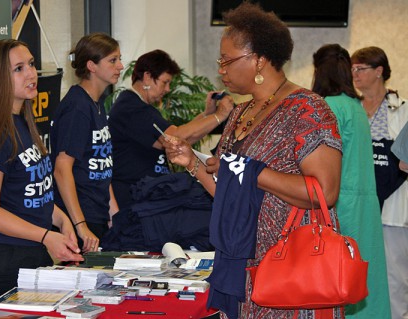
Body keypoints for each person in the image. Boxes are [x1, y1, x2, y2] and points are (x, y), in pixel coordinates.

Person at [164, 3, 342, 319]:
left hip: (290, 267)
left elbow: (324, 193)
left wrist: (249, 171)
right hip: (242, 265)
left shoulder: (308, 110)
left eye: (227, 60)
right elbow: (228, 195)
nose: (221, 69)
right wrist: (192, 162)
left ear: (258, 59)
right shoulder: (239, 114)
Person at [0, 39, 83, 310]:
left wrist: (61, 220)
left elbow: (31, 192)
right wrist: (47, 236)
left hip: (26, 249)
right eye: (19, 68)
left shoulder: (23, 123)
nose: (31, 73)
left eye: (32, 64)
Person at [312, 43, 391, 318]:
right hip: (366, 205)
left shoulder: (326, 107)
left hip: (339, 206)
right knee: (367, 280)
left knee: (341, 281)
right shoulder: (356, 106)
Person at [108, 49, 234, 210]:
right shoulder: (132, 108)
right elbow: (176, 136)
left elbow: (182, 140)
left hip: (145, 194)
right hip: (134, 198)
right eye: (165, 82)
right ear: (147, 77)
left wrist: (207, 114)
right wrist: (220, 115)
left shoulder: (139, 106)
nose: (167, 89)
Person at [50, 33, 124, 253]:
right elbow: (62, 169)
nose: (120, 66)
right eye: (112, 60)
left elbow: (102, 166)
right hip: (80, 218)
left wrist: (114, 216)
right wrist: (80, 225)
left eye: (119, 58)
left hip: (97, 215)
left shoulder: (97, 105)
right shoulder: (77, 107)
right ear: (91, 65)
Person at [351, 46, 408, 319]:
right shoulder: (351, 110)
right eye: (351, 69)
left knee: (394, 280)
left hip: (393, 211)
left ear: (379, 71)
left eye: (360, 68)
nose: (355, 75)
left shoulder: (402, 110)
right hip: (356, 209)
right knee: (356, 275)